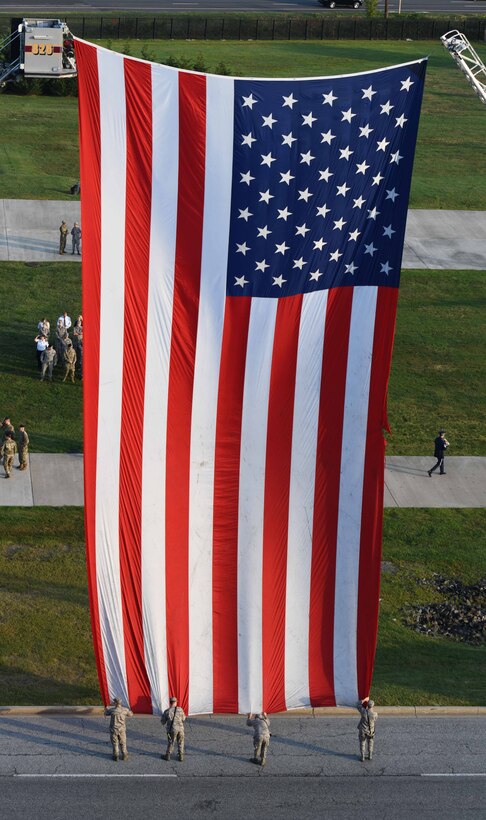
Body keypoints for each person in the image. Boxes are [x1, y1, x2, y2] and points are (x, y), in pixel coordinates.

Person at [104, 697, 133, 762]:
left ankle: (116, 755)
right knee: (123, 742)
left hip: (113, 729)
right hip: (122, 729)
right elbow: (131, 714)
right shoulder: (125, 710)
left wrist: (105, 710)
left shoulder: (112, 710)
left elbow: (106, 713)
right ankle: (124, 755)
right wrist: (129, 711)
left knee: (115, 743)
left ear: (115, 703)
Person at [161, 696, 186, 762]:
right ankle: (181, 757)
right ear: (176, 702)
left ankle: (168, 756)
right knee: (181, 742)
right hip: (180, 729)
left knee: (171, 742)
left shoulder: (167, 711)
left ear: (170, 703)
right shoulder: (180, 709)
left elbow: (162, 722)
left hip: (172, 730)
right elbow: (184, 719)